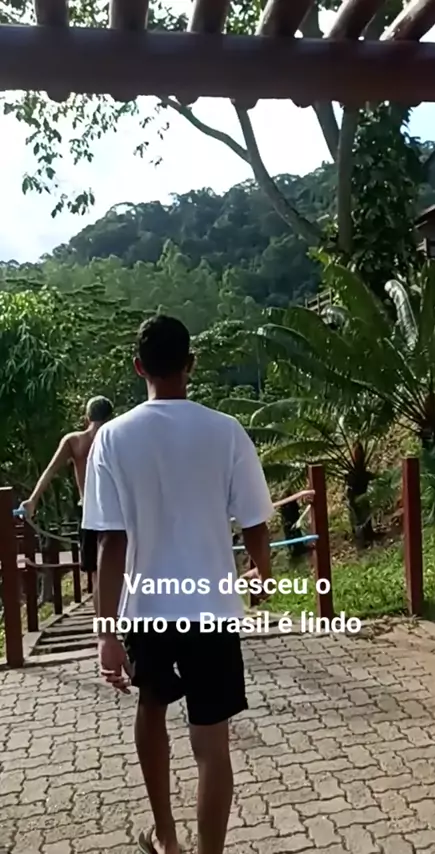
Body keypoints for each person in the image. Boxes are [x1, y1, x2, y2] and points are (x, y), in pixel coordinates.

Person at [82, 315, 273, 854]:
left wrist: (106, 632)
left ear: (138, 366)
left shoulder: (112, 437)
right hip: (212, 607)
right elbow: (255, 522)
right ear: (191, 364)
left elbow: (110, 543)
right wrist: (262, 574)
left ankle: (167, 837)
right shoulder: (225, 431)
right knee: (212, 742)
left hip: (146, 608)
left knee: (152, 708)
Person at [20, 396, 114, 614]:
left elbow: (50, 471)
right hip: (115, 510)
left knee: (96, 573)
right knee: (121, 568)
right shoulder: (116, 438)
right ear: (111, 417)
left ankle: (104, 626)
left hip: (90, 512)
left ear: (86, 417)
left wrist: (33, 500)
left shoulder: (75, 441)